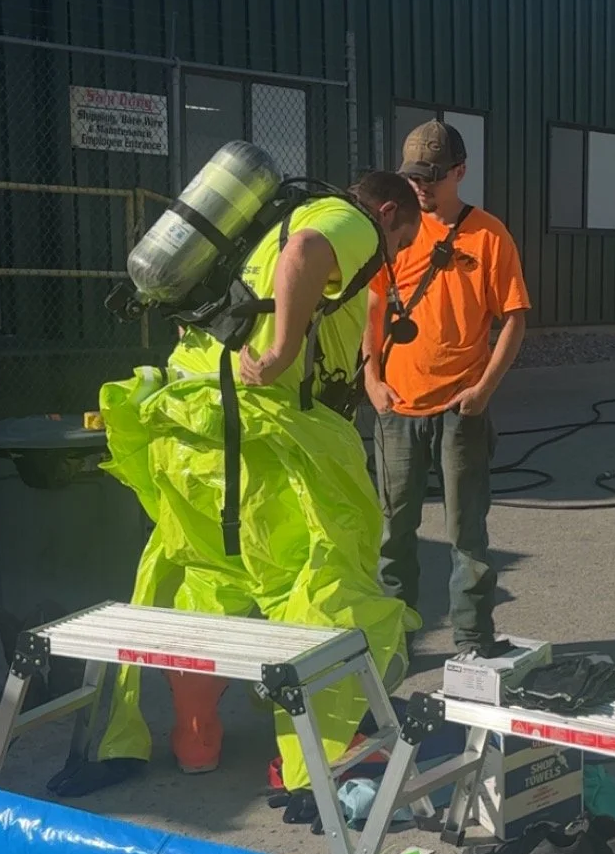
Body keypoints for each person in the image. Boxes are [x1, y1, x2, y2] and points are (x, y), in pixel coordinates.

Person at [81, 170, 422, 803]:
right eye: (401, 242)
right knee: (319, 582)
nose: (392, 258)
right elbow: (307, 253)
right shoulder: (347, 221)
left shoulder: (260, 226)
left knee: (207, 580)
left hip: (188, 432)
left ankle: (196, 742)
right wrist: (283, 349)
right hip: (265, 443)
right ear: (391, 212)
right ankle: (313, 758)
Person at [364, 119, 530, 657]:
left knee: (467, 536)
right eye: (412, 176)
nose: (420, 187)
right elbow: (372, 310)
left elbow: (514, 319)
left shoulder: (488, 235)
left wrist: (484, 389)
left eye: (432, 176)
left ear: (461, 171)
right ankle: (397, 636)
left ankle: (473, 640)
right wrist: (371, 379)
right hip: (397, 405)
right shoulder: (391, 230)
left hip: (462, 407)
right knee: (394, 533)